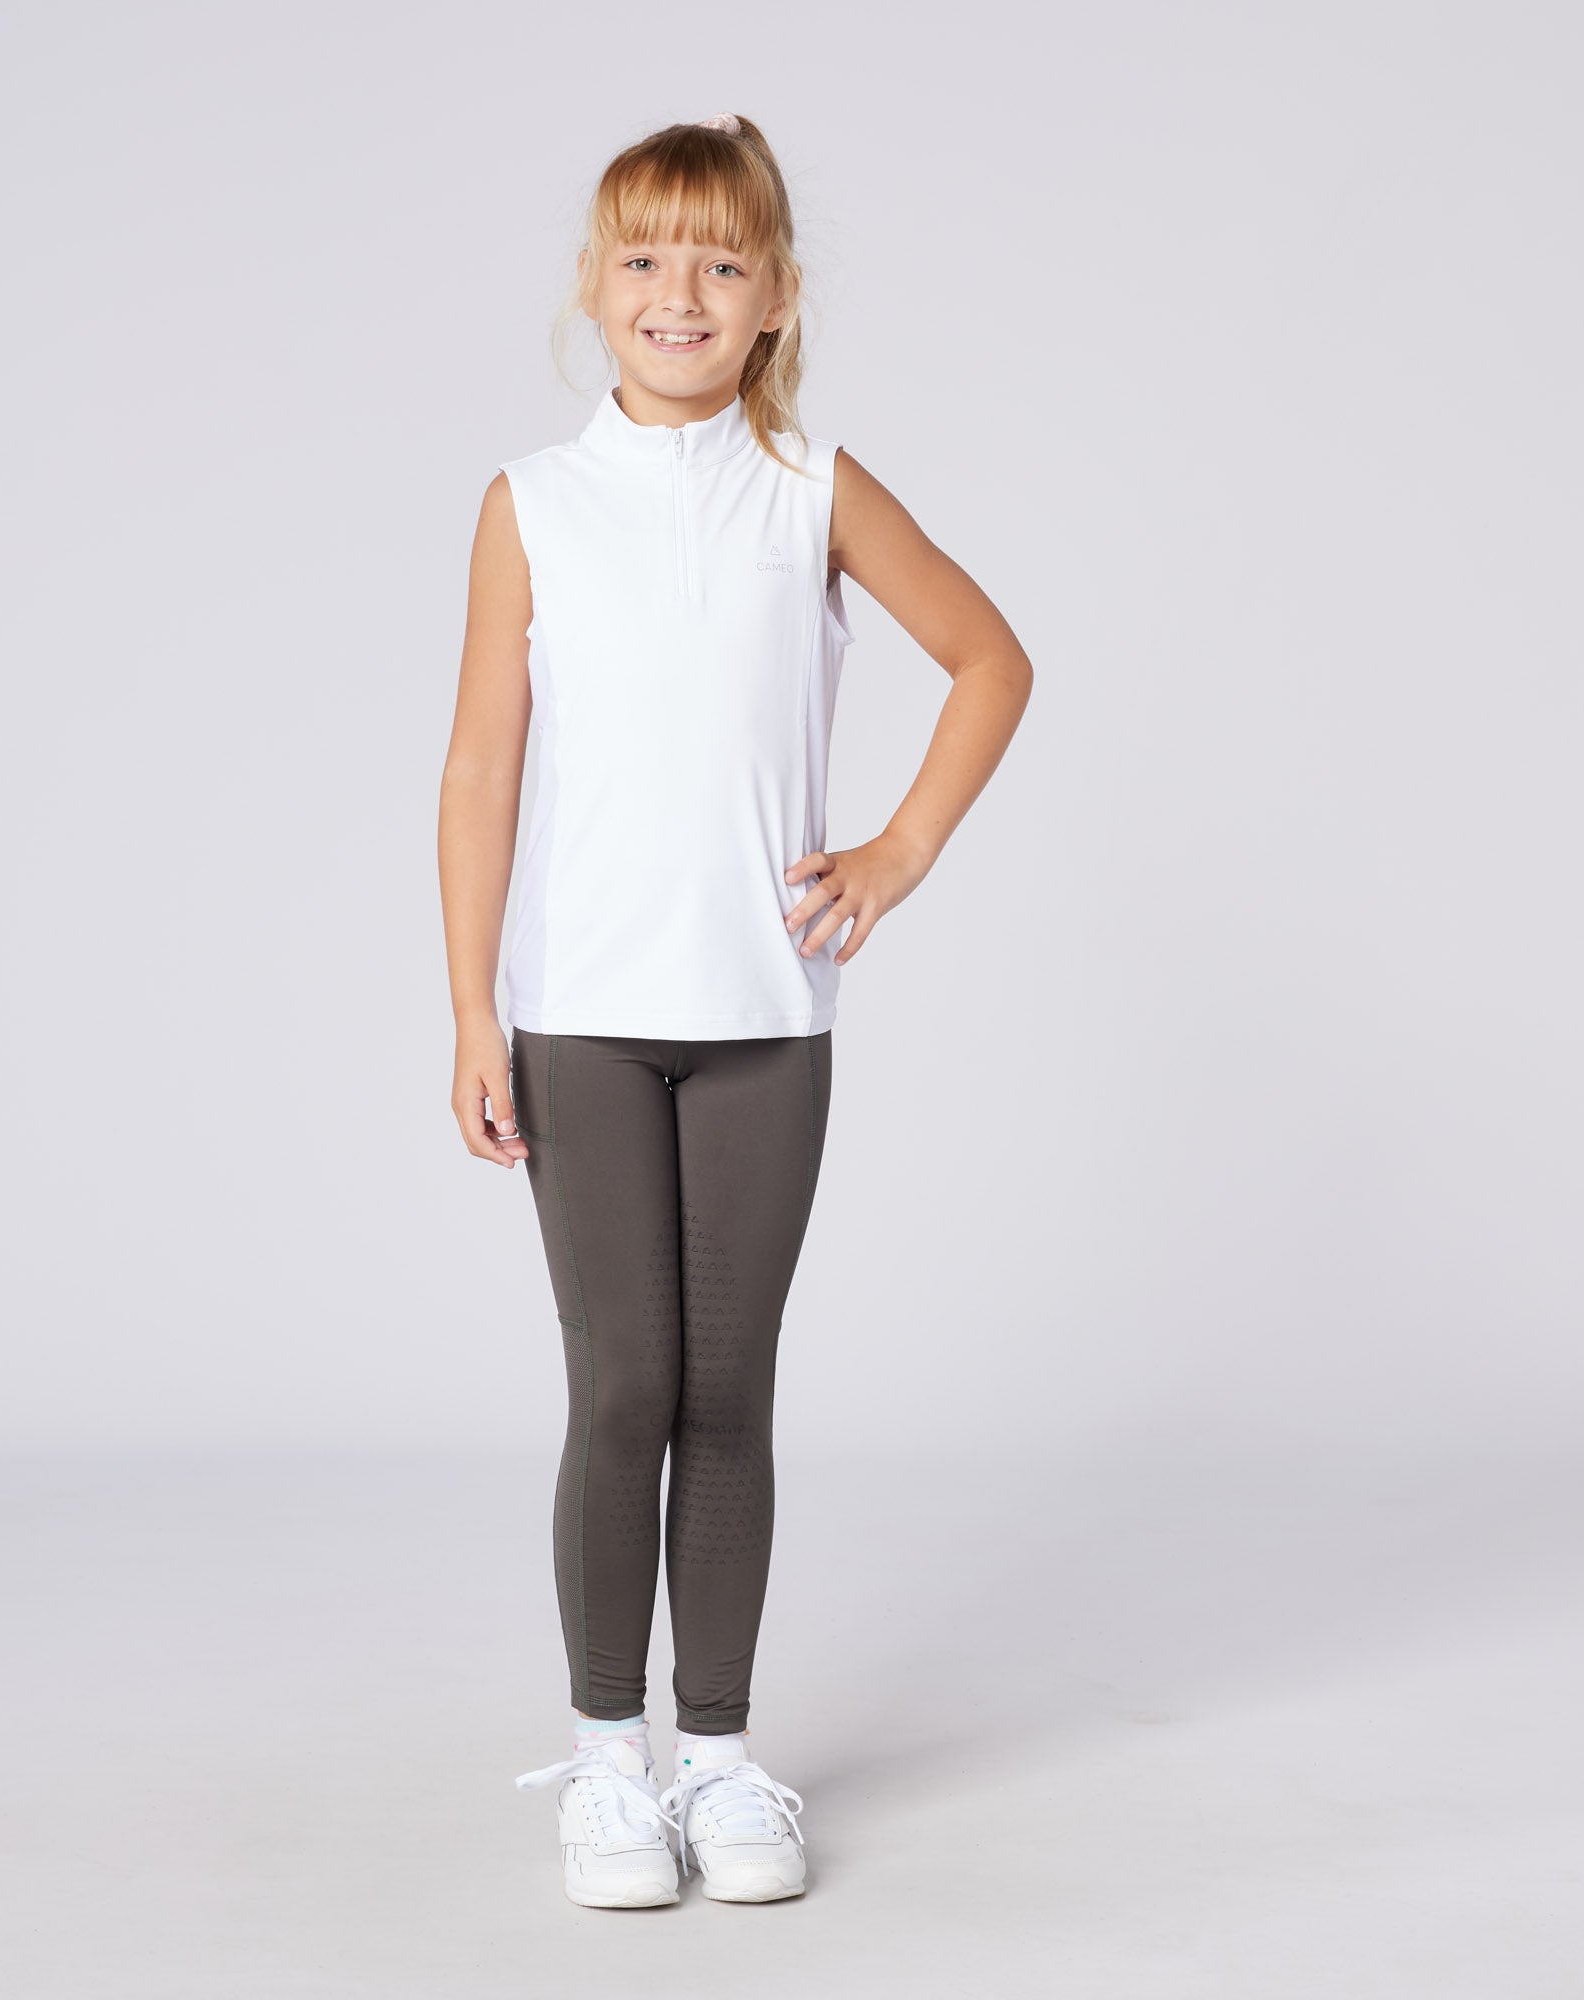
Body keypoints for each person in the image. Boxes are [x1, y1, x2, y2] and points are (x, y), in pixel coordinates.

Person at [437, 112, 1033, 1909]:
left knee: (727, 1387)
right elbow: (480, 769)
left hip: (769, 1014)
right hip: (584, 1019)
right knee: (623, 1385)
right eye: (644, 258)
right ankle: (606, 1760)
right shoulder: (532, 505)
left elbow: (990, 658)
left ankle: (718, 1757)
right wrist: (471, 1012)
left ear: (776, 295)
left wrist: (900, 850)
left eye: (719, 261)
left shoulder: (815, 492)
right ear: (594, 288)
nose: (679, 292)